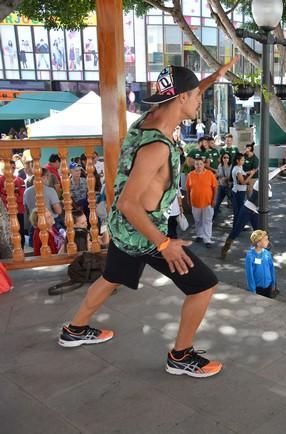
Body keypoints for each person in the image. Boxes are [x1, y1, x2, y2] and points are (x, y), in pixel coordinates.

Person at [58, 61, 238, 379]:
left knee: (111, 276)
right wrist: (164, 243)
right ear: (181, 99)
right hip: (145, 233)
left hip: (122, 229)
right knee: (204, 285)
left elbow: (185, 93)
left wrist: (213, 77)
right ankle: (180, 356)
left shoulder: (149, 119)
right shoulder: (156, 147)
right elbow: (129, 203)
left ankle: (74, 329)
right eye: (197, 95)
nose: (200, 100)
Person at [220, 165, 286, 258]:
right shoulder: (259, 182)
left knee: (260, 233)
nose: (265, 174)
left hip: (256, 212)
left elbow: (270, 176)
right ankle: (225, 249)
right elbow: (268, 177)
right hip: (247, 209)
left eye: (266, 172)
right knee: (237, 230)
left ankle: (262, 252)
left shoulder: (268, 185)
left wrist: (280, 169)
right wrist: (279, 169)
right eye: (263, 172)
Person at [186, 157, 217, 246]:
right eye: (197, 164)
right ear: (194, 165)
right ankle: (200, 235)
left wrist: (214, 199)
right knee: (197, 220)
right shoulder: (190, 175)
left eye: (200, 164)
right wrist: (188, 200)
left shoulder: (210, 174)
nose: (199, 166)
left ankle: (207, 239)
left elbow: (215, 187)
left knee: (207, 221)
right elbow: (188, 189)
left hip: (208, 202)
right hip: (195, 203)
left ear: (204, 165)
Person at [245, 230, 278, 298]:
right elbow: (249, 274)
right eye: (265, 240)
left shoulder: (267, 253)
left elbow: (272, 269)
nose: (268, 241)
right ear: (258, 243)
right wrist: (252, 289)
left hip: (268, 286)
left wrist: (273, 284)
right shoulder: (250, 256)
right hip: (257, 288)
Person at [0, 160, 26, 247]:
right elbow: (1, 198)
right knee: (8, 234)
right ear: (4, 169)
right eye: (9, 168)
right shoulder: (0, 180)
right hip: (6, 212)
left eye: (13, 168)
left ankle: (21, 252)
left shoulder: (20, 180)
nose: (12, 170)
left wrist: (10, 198)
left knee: (20, 233)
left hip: (19, 210)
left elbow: (22, 197)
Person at [231, 153, 254, 220]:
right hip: (238, 192)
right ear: (237, 161)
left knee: (239, 209)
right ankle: (236, 227)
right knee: (238, 211)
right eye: (242, 160)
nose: (243, 161)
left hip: (240, 191)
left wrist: (248, 172)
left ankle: (238, 226)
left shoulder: (239, 167)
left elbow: (243, 174)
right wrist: (251, 175)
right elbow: (243, 182)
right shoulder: (237, 170)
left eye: (244, 160)